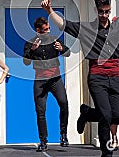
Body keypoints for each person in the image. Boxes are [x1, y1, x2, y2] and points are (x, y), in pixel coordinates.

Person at [41, 0, 119, 157]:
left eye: (107, 12)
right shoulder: (87, 28)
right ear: (96, 10)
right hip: (97, 76)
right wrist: (50, 11)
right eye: (101, 12)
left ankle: (87, 112)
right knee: (106, 115)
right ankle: (106, 152)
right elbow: (63, 24)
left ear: (110, 11)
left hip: (115, 76)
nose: (104, 15)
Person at [23, 17, 71, 152]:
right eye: (45, 30)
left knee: (64, 103)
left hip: (55, 79)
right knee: (40, 112)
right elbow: (26, 62)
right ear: (38, 30)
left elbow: (68, 53)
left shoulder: (55, 39)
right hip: (40, 80)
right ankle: (43, 141)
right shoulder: (30, 42)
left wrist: (62, 48)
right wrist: (32, 50)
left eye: (48, 28)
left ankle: (63, 134)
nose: (48, 31)